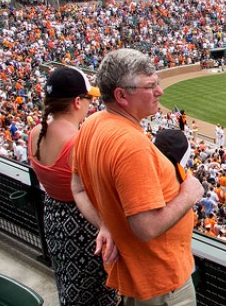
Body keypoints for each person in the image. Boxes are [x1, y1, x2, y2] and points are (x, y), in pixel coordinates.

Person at [72, 48, 204, 304]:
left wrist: (105, 223)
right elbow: (146, 228)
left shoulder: (92, 123)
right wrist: (189, 194)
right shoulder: (131, 145)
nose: (160, 92)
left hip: (138, 278)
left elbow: (77, 188)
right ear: (121, 95)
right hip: (161, 284)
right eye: (150, 86)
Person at [28, 66, 117, 306]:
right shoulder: (78, 143)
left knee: (69, 286)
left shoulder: (35, 133)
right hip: (85, 226)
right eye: (88, 99)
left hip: (54, 219)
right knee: (96, 293)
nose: (91, 105)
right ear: (77, 102)